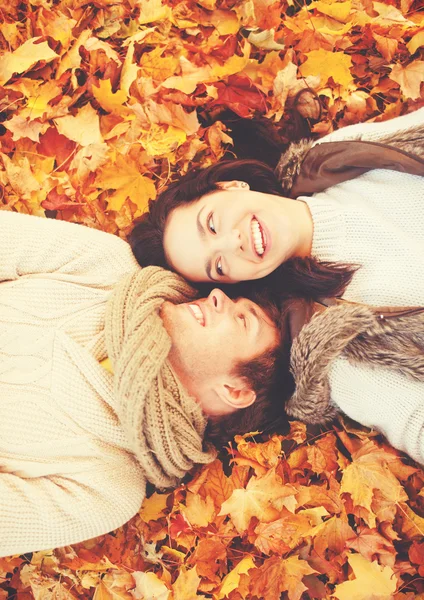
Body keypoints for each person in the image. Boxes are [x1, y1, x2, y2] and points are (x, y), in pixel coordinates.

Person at [129, 107, 424, 465]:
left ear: (230, 186)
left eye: (211, 223)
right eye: (219, 266)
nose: (231, 242)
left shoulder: (333, 157)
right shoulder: (342, 343)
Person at [0, 210, 285, 559]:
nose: (217, 297)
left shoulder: (107, 489)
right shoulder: (107, 268)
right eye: (231, 298)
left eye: (242, 320)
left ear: (235, 391)